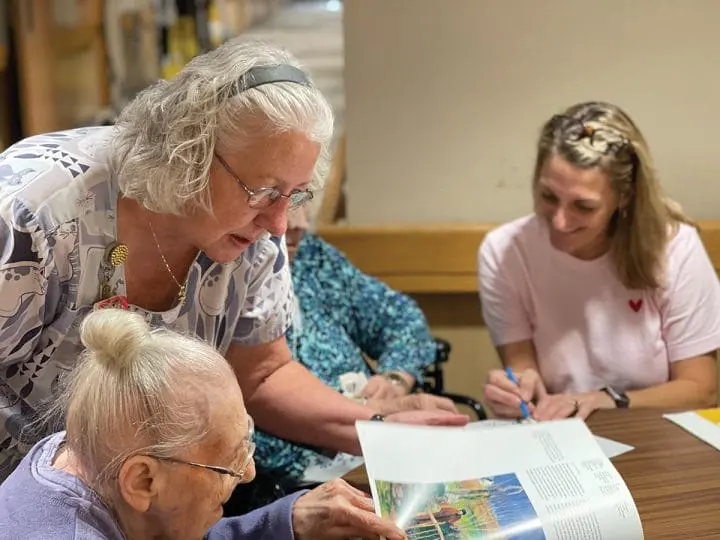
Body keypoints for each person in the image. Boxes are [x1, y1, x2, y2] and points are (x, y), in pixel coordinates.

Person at [0, 38, 466, 479]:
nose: (281, 223)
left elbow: (262, 373)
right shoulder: (31, 215)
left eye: (295, 193)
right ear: (189, 154)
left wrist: (377, 426)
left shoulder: (253, 234)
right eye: (264, 192)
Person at [0, 308, 408, 540]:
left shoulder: (80, 451)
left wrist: (283, 523)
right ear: (142, 481)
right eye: (226, 465)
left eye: (245, 444)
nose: (248, 473)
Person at [479, 100, 720, 421]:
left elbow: (700, 389)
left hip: (659, 436)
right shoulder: (504, 252)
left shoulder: (675, 248)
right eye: (548, 196)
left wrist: (610, 400)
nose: (560, 221)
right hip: (561, 435)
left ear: (625, 196)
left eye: (584, 206)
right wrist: (520, 389)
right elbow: (522, 365)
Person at [251, 205, 442, 482]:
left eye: (305, 200)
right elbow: (251, 402)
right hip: (297, 479)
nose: (301, 224)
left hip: (370, 443)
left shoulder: (312, 257)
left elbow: (402, 318)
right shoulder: (227, 273)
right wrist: (371, 419)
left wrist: (395, 379)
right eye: (288, 201)